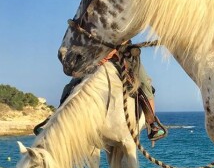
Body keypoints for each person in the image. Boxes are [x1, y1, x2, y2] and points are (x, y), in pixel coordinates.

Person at [35, 49, 166, 142]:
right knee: (70, 87)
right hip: (97, 60)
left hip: (124, 58)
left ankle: (152, 124)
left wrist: (113, 52)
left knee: (145, 85)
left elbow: (126, 39)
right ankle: (53, 120)